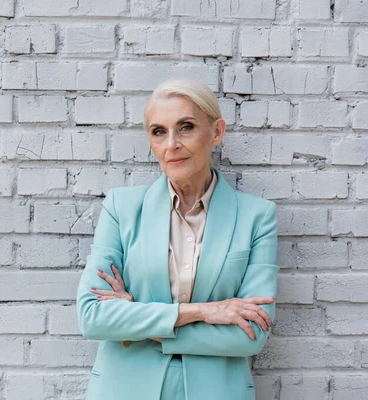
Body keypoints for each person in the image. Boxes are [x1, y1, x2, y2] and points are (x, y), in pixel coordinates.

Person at [76, 78, 278, 400]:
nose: (171, 144)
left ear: (216, 132)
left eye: (185, 127)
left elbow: (251, 333)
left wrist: (140, 319)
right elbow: (92, 317)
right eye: (159, 132)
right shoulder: (121, 208)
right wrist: (203, 312)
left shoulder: (257, 217)